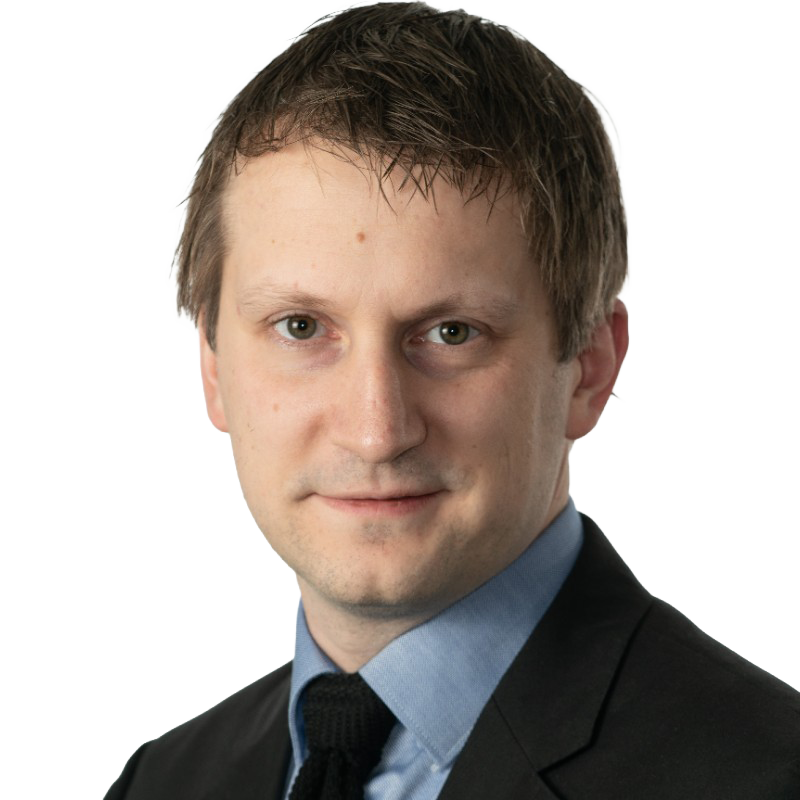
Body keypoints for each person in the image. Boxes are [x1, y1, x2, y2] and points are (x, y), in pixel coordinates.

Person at [104, 2, 800, 798]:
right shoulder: (162, 782)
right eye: (301, 327)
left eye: (451, 333)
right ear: (213, 366)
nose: (376, 431)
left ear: (590, 368)